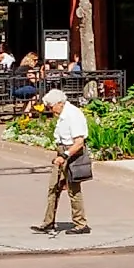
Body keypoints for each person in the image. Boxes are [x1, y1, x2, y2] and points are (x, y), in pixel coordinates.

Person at [30, 88, 91, 235]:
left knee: (73, 190)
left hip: (72, 154)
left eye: (51, 107)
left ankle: (81, 224)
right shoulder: (63, 114)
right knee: (53, 188)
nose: (51, 111)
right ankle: (48, 222)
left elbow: (79, 142)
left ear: (59, 103)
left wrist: (64, 156)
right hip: (62, 153)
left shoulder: (73, 115)